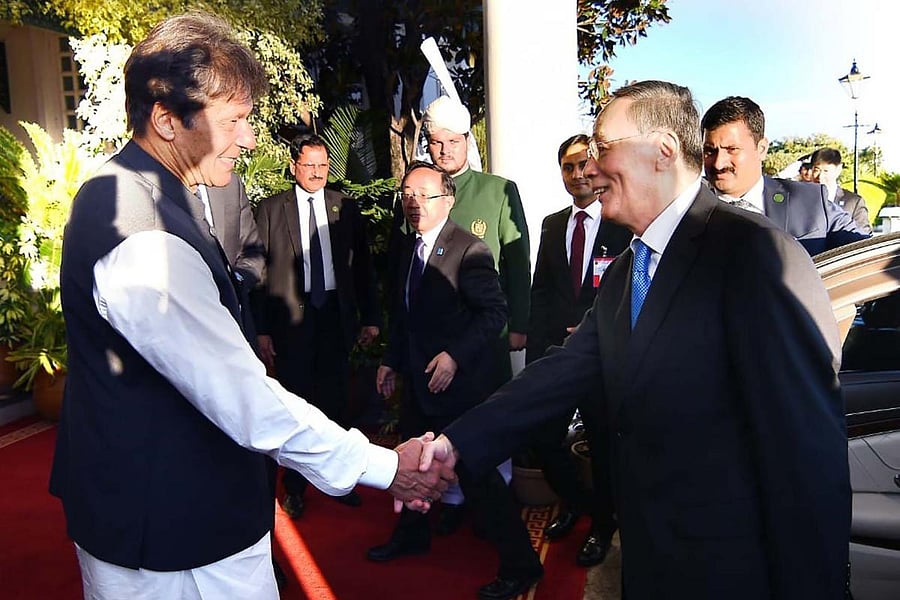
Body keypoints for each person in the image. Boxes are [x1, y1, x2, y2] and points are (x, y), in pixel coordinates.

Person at [50, 13, 450, 600]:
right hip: (170, 539)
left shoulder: (159, 194)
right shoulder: (140, 232)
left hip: (188, 515)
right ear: (166, 119)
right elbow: (238, 394)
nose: (251, 139)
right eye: (235, 121)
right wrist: (386, 465)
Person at [418, 80, 852, 599]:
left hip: (732, 572)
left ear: (663, 150)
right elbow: (559, 373)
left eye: (604, 147)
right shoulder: (630, 271)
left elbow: (806, 456)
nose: (590, 167)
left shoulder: (754, 252)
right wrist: (452, 445)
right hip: (650, 562)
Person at [369, 162, 543, 600]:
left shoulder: (470, 249)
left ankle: (522, 566)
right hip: (417, 383)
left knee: (478, 477)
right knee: (410, 463)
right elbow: (405, 315)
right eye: (407, 193)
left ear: (447, 200)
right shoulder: (409, 248)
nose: (413, 202)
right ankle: (412, 533)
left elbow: (495, 313)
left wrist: (455, 357)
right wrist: (391, 360)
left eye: (423, 194)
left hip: (460, 389)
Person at [416, 96, 531, 534]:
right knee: (444, 417)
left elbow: (518, 261)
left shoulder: (498, 190)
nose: (443, 150)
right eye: (434, 142)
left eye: (451, 141)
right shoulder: (418, 189)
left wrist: (518, 323)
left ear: (467, 140)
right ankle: (452, 499)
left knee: (489, 414)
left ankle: (496, 504)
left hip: (485, 333)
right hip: (438, 337)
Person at [253, 133, 381, 517]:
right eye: (309, 165)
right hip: (292, 322)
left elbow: (363, 268)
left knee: (338, 402)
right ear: (294, 166)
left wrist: (372, 317)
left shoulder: (344, 207)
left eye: (323, 166)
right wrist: (260, 329)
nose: (317, 173)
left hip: (335, 320)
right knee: (295, 408)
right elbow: (258, 275)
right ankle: (294, 487)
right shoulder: (272, 210)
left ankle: (340, 483)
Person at [526, 134, 629, 567]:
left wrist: (594, 329)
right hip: (557, 357)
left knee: (603, 447)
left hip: (602, 357)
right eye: (566, 167)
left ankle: (603, 525)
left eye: (583, 164)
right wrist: (536, 357)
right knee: (542, 437)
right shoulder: (552, 224)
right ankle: (577, 503)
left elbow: (629, 293)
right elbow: (542, 291)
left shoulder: (621, 222)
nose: (576, 174)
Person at [702, 95, 869, 255]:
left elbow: (867, 259)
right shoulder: (687, 211)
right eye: (709, 151)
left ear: (762, 149)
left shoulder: (811, 203)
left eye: (732, 150)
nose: (718, 163)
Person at [810, 147, 873, 234]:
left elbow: (864, 235)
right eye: (816, 170)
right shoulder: (801, 199)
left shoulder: (853, 202)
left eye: (826, 171)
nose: (820, 177)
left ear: (838, 170)